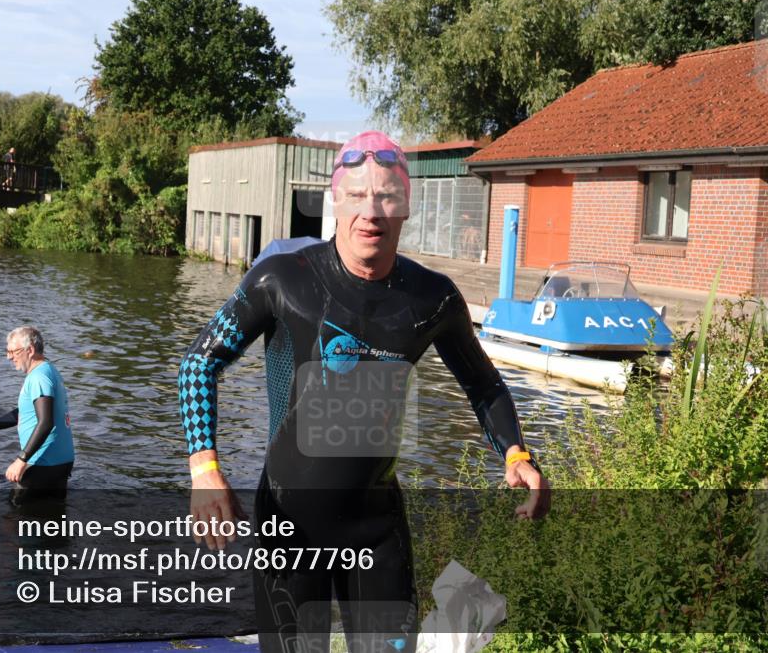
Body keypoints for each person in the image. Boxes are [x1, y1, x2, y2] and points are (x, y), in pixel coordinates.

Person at [179, 130, 550, 653]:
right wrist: (205, 469)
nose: (370, 211)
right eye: (356, 195)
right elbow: (199, 363)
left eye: (386, 197)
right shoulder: (282, 280)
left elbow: (483, 381)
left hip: (375, 529)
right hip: (290, 525)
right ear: (336, 202)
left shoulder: (432, 299)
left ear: (406, 209)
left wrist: (516, 453)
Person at [0, 326, 75, 504]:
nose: (9, 357)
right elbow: (25, 412)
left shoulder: (38, 378)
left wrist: (21, 460)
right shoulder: (49, 371)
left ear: (29, 350)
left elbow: (45, 422)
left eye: (13, 352)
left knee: (16, 518)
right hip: (61, 460)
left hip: (43, 461)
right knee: (52, 520)